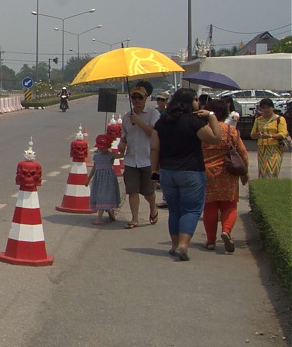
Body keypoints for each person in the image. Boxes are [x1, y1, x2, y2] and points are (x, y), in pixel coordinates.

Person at [150, 88, 222, 261]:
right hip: (191, 172)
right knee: (190, 210)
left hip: (168, 172)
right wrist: (211, 116)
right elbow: (216, 138)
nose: (197, 103)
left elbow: (154, 148)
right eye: (196, 99)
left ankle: (174, 246)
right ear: (189, 102)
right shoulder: (194, 121)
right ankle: (183, 245)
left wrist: (154, 171)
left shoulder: (162, 122)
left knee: (174, 210)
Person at [201, 99, 249, 253]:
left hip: (206, 172)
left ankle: (210, 241)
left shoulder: (202, 130)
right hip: (228, 173)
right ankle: (226, 231)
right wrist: (244, 173)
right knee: (229, 205)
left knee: (210, 206)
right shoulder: (231, 131)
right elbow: (243, 153)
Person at [119, 82, 161, 229]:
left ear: (146, 98)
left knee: (148, 192)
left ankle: (153, 207)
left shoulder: (153, 114)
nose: (137, 100)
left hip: (148, 159)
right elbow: (124, 136)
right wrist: (121, 144)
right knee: (132, 190)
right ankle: (135, 218)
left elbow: (153, 133)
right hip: (131, 159)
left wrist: (138, 121)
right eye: (134, 97)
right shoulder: (126, 118)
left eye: (140, 97)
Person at [85, 134, 121, 225]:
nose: (101, 149)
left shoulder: (111, 155)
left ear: (109, 146)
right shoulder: (96, 156)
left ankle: (100, 217)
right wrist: (88, 179)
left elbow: (121, 155)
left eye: (103, 147)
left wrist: (122, 147)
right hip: (98, 179)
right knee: (100, 196)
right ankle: (108, 212)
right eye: (100, 147)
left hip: (108, 179)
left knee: (104, 196)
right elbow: (94, 168)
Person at [250, 98, 288, 178]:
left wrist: (270, 136)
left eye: (268, 107)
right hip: (262, 149)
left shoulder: (279, 119)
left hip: (275, 148)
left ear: (272, 108)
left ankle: (272, 187)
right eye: (263, 108)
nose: (266, 110)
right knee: (263, 171)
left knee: (272, 170)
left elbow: (282, 134)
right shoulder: (258, 120)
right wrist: (258, 134)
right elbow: (252, 135)